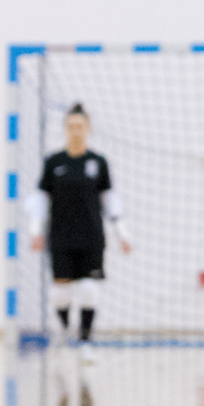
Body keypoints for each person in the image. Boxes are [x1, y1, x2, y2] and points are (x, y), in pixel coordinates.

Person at [27, 104, 131, 361]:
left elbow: (110, 200)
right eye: (71, 126)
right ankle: (64, 332)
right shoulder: (54, 162)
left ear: (88, 128)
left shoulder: (98, 162)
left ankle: (86, 342)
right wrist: (35, 231)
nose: (76, 130)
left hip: (92, 237)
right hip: (61, 237)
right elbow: (40, 199)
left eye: (80, 126)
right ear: (65, 129)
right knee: (61, 294)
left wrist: (122, 233)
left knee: (88, 290)